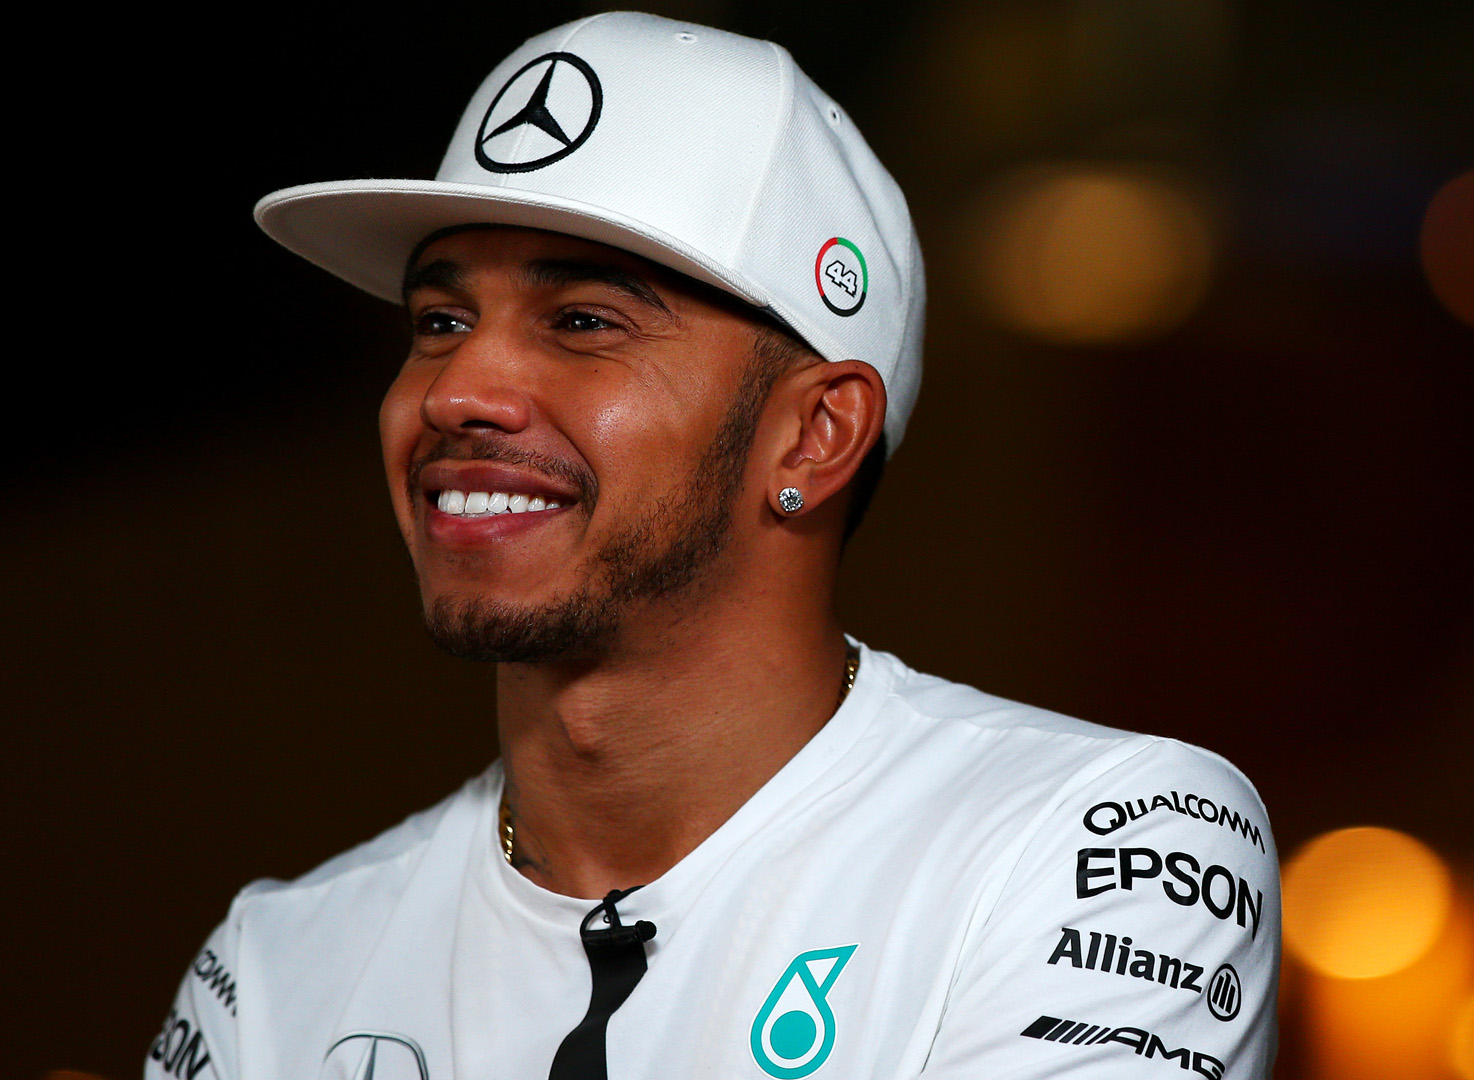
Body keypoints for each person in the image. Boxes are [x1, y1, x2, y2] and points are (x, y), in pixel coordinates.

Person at [146, 13, 1279, 1080]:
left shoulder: (1104, 844)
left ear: (815, 434)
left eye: (582, 322)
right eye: (440, 322)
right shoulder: (277, 968)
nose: (455, 392)